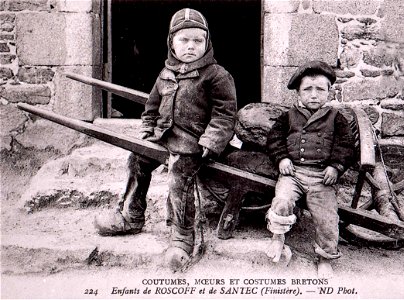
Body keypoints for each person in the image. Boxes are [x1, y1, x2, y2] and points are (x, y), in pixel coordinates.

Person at [94, 8, 237, 271]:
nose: (191, 46)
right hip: (164, 137)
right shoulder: (166, 73)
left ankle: (182, 237)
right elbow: (150, 108)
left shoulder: (216, 75)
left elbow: (225, 114)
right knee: (137, 159)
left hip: (194, 143)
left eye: (198, 40)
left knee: (178, 177)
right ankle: (131, 215)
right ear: (172, 42)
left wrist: (211, 141)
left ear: (207, 43)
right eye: (184, 40)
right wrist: (148, 132)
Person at [265, 60, 354, 278]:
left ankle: (325, 258)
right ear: (298, 92)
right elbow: (274, 139)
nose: (313, 95)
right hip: (293, 173)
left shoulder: (336, 118)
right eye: (307, 89)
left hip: (322, 177)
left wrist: (336, 167)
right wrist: (282, 159)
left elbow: (345, 145)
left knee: (327, 217)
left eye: (320, 90)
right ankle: (277, 237)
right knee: (282, 201)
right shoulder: (288, 116)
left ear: (329, 93)